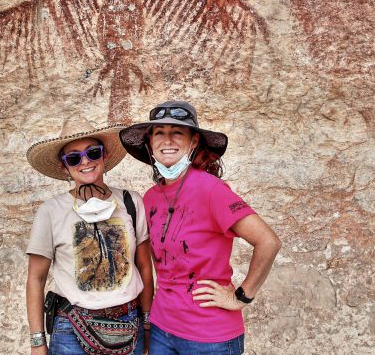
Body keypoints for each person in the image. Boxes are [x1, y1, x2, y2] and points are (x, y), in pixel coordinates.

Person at [119, 100, 282, 355]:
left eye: (177, 132)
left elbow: (268, 241)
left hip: (210, 337)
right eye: (159, 133)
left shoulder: (211, 190)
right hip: (163, 329)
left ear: (193, 141)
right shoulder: (150, 197)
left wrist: (240, 296)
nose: (167, 140)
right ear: (150, 143)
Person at [25, 116, 153, 355]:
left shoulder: (130, 202)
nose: (85, 162)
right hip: (71, 329)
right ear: (65, 167)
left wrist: (147, 322)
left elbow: (145, 266)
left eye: (92, 153)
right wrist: (37, 342)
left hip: (129, 323)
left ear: (104, 155)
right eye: (73, 158)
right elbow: (36, 279)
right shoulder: (51, 211)